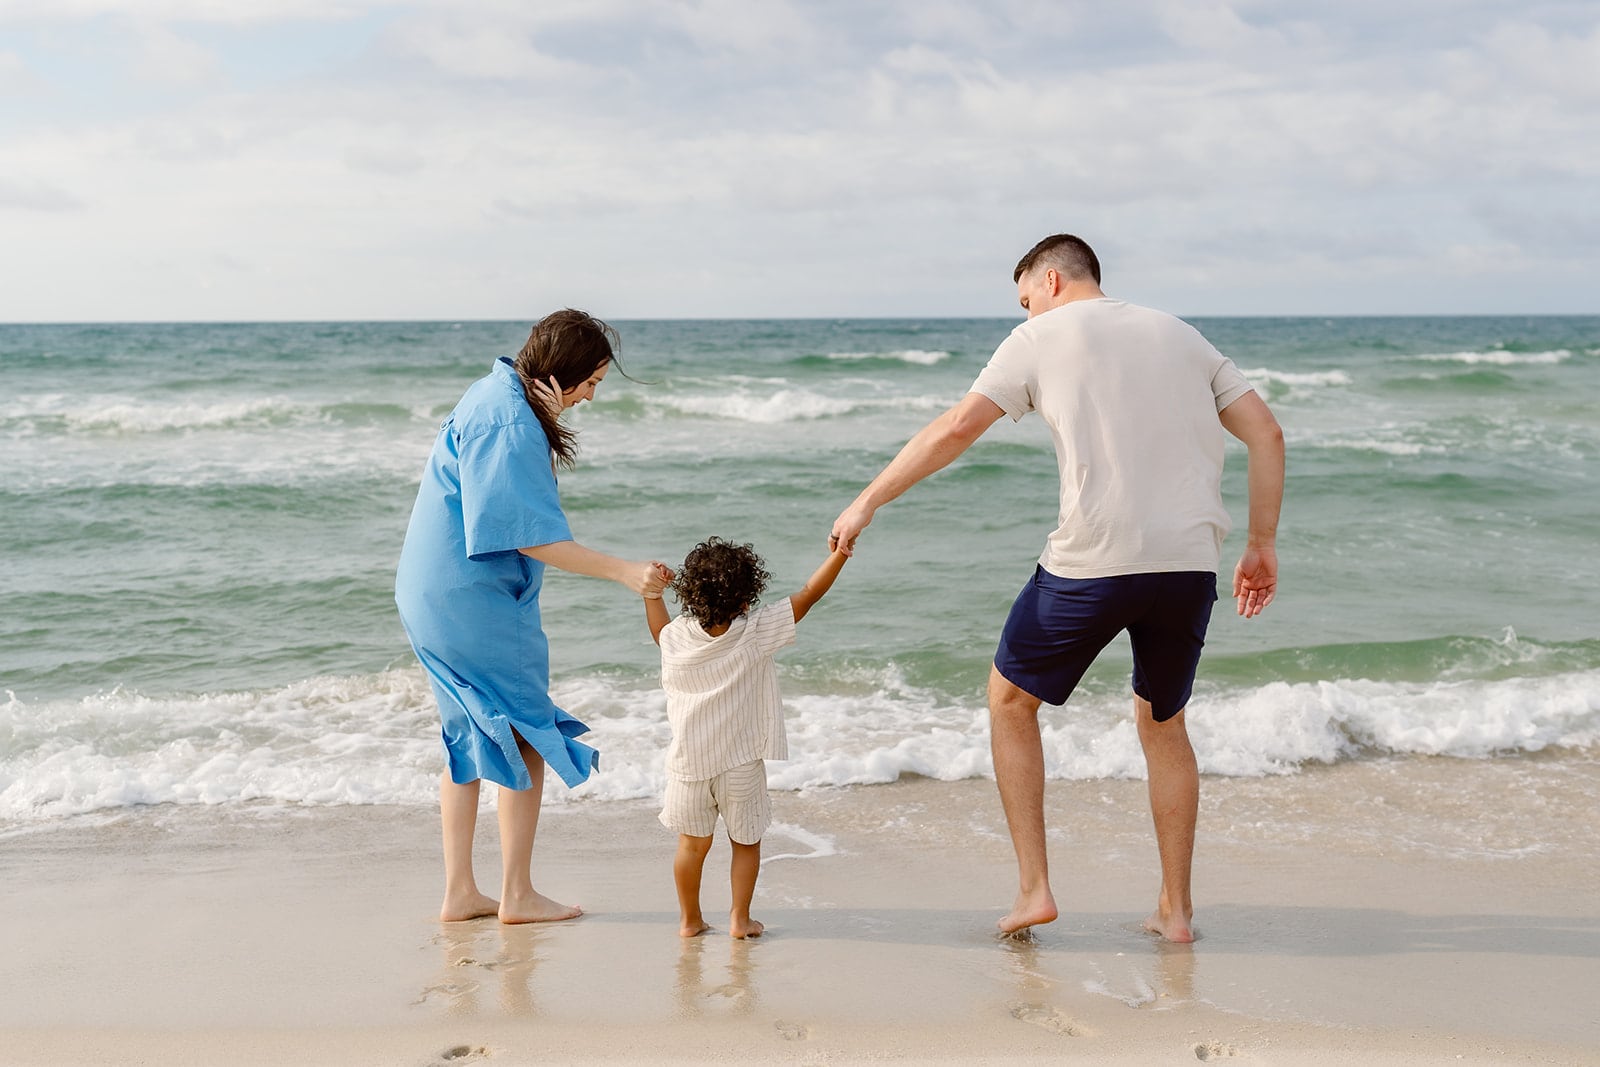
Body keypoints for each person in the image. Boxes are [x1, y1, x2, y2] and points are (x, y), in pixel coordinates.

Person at [828, 234, 1285, 942]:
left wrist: (868, 500)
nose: (1025, 312)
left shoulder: (1037, 337)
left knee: (1009, 699)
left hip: (1094, 560)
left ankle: (1035, 888)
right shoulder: (1182, 335)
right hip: (1188, 563)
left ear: (1050, 280)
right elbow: (1267, 432)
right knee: (1163, 723)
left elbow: (956, 428)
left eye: (1024, 300)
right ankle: (1177, 911)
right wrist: (1260, 542)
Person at [396, 309, 673, 925]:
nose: (591, 398)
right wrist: (625, 572)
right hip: (471, 599)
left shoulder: (494, 392)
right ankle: (517, 895)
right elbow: (525, 535)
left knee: (468, 737)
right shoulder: (511, 420)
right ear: (565, 372)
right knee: (524, 733)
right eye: (593, 383)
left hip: (432, 592)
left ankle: (461, 893)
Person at [644, 537, 849, 938]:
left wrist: (653, 593)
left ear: (689, 594)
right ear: (745, 600)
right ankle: (740, 919)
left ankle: (690, 921)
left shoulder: (675, 638)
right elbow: (810, 594)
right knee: (746, 842)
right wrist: (840, 554)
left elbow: (658, 629)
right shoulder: (754, 632)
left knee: (691, 847)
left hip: (689, 766)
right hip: (740, 762)